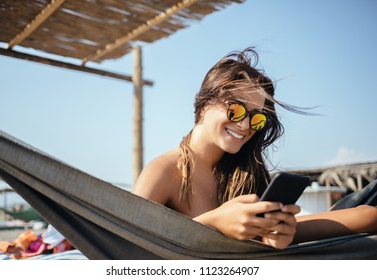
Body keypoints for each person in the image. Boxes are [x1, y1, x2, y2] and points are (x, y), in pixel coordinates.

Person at [132, 48, 377, 249]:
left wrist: (278, 234)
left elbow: (259, 239)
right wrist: (213, 223)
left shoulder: (245, 169)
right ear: (204, 105)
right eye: (235, 109)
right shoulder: (164, 171)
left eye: (256, 118)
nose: (245, 125)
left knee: (368, 215)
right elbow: (127, 249)